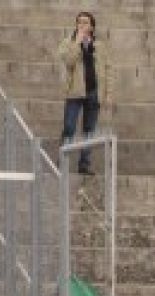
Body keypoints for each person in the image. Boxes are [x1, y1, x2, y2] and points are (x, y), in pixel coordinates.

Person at [57, 11, 110, 175]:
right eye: (79, 22)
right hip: (74, 91)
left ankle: (84, 164)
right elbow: (68, 61)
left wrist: (107, 93)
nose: (81, 25)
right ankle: (62, 162)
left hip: (94, 92)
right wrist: (77, 43)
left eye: (85, 22)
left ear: (92, 27)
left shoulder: (100, 46)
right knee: (69, 127)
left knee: (89, 129)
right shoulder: (67, 42)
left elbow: (108, 69)